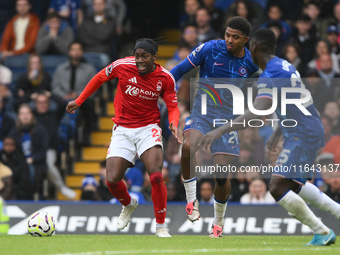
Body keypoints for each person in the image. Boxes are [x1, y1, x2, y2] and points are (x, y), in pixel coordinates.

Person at [200, 28, 340, 245]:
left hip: (302, 133)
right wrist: (278, 131)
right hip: (304, 128)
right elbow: (292, 101)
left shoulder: (270, 74)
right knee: (293, 185)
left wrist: (220, 130)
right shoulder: (285, 65)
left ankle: (321, 231)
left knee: (276, 187)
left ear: (254, 48)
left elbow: (257, 110)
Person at [66, 38, 181, 237]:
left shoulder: (166, 78)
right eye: (137, 56)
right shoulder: (122, 65)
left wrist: (173, 123)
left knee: (155, 175)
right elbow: (100, 77)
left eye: (145, 56)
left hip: (148, 128)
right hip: (122, 128)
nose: (140, 61)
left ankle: (161, 225)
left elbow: (172, 106)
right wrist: (79, 100)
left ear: (155, 57)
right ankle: (128, 204)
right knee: (111, 179)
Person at [170, 16, 258, 237]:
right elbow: (177, 71)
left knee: (221, 175)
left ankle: (218, 222)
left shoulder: (251, 63)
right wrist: (163, 92)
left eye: (235, 37)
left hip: (227, 121)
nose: (229, 40)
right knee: (188, 147)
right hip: (202, 112)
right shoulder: (209, 48)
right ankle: (192, 200)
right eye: (227, 35)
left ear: (245, 40)